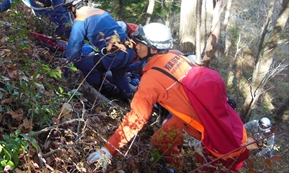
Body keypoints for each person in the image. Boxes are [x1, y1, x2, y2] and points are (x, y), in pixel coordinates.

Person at [87, 22, 249, 172]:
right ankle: (179, 167)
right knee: (161, 140)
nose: (136, 47)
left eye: (141, 44)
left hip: (206, 127)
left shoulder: (152, 79)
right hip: (219, 117)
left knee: (203, 165)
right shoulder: (177, 56)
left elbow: (136, 119)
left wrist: (108, 149)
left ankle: (185, 168)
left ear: (153, 49)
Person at [63, 0, 135, 100]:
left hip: (113, 54)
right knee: (119, 78)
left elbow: (74, 46)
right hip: (128, 50)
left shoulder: (80, 20)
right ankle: (130, 99)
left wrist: (68, 67)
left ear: (73, 7)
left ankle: (103, 92)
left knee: (85, 66)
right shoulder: (100, 11)